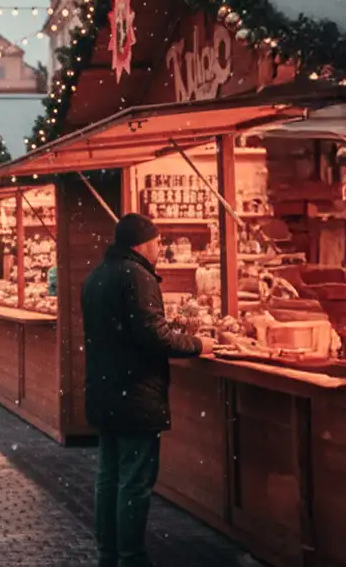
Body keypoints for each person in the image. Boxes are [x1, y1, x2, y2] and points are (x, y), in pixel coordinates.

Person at [82, 214, 211, 567]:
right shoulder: (136, 276)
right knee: (134, 482)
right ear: (141, 244)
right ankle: (131, 557)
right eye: (156, 241)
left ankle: (109, 554)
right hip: (135, 394)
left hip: (105, 392)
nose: (160, 247)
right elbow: (152, 335)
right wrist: (198, 344)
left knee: (109, 477)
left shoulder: (97, 276)